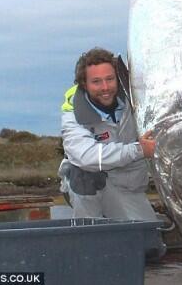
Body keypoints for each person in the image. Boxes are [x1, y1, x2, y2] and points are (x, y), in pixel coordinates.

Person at [58, 47, 165, 258]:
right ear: (84, 84)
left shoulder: (138, 102)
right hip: (92, 184)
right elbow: (86, 157)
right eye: (96, 82)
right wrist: (138, 150)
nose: (105, 87)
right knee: (82, 172)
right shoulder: (72, 116)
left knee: (151, 251)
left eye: (110, 79)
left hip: (128, 187)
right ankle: (88, 245)